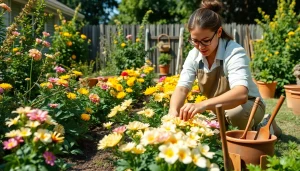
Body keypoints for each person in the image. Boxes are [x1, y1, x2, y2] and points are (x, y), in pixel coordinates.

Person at [168, 0, 282, 136]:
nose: (200, 47)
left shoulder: (234, 52)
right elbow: (182, 87)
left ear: (219, 32)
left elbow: (241, 94)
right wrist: (173, 111)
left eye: (206, 40)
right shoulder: (194, 55)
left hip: (249, 105)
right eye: (195, 41)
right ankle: (229, 129)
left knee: (236, 115)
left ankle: (267, 127)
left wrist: (201, 105)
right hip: (219, 109)